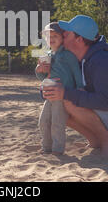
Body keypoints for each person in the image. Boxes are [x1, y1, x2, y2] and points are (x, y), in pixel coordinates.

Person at [42, 15, 108, 156]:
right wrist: (47, 85)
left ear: (79, 39)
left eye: (67, 33)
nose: (62, 34)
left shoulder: (101, 60)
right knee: (61, 103)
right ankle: (94, 141)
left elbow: (103, 102)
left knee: (69, 100)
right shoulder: (75, 59)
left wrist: (65, 93)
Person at [35, 22, 83, 155]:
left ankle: (57, 149)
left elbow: (76, 72)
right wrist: (39, 70)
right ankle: (46, 147)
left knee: (57, 123)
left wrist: (80, 88)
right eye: (48, 36)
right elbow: (42, 76)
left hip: (63, 96)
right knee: (43, 122)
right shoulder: (47, 55)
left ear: (62, 37)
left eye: (55, 35)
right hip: (49, 95)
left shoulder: (68, 55)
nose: (51, 39)